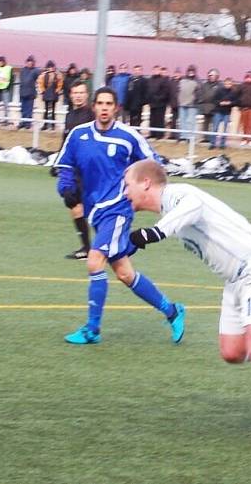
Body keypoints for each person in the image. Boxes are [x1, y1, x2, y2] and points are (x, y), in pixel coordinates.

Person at [123, 159, 251, 445]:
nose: (125, 192)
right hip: (236, 279)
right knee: (232, 351)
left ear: (146, 183)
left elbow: (193, 206)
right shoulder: (169, 208)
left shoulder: (177, 194)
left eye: (127, 185)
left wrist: (155, 232)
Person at [54, 87, 185, 345]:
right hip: (95, 211)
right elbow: (65, 166)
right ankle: (172, 311)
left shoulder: (128, 137)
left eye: (109, 104)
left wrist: (144, 192)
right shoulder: (78, 135)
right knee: (125, 274)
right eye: (100, 103)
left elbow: (153, 165)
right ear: (94, 107)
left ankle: (92, 330)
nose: (104, 108)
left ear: (116, 108)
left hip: (118, 209)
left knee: (94, 261)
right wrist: (66, 189)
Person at [57, 80, 95, 260]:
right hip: (73, 170)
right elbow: (66, 142)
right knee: (73, 204)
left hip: (89, 170)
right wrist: (58, 162)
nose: (78, 95)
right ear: (71, 95)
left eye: (82, 92)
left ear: (86, 95)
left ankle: (108, 246)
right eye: (75, 92)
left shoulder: (91, 115)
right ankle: (86, 248)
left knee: (95, 209)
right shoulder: (69, 115)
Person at [210, 77, 236, 149]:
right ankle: (212, 144)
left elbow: (236, 102)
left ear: (232, 84)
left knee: (225, 129)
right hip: (218, 111)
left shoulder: (233, 92)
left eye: (229, 84)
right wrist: (220, 103)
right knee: (215, 128)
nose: (228, 85)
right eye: (226, 83)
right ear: (224, 84)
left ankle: (222, 144)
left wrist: (230, 103)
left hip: (227, 113)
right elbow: (214, 100)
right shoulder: (219, 90)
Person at [236, 71, 251, 146]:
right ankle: (244, 139)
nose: (249, 79)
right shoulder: (241, 86)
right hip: (244, 108)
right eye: (248, 77)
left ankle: (250, 140)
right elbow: (236, 96)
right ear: (245, 78)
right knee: (244, 125)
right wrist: (239, 106)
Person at [37, 61, 63, 131]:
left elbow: (60, 83)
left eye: (52, 67)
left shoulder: (57, 75)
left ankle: (52, 125)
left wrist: (57, 90)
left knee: (53, 110)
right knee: (46, 110)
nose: (50, 68)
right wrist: (43, 90)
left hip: (54, 94)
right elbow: (40, 83)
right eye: (49, 67)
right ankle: (45, 125)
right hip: (46, 94)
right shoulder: (43, 75)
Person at [17, 56, 40, 129]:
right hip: (23, 92)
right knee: (23, 109)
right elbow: (22, 80)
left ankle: (28, 123)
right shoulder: (23, 70)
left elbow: (39, 79)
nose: (29, 63)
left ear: (33, 63)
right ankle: (23, 122)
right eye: (28, 62)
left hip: (31, 93)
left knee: (29, 109)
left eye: (31, 62)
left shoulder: (36, 71)